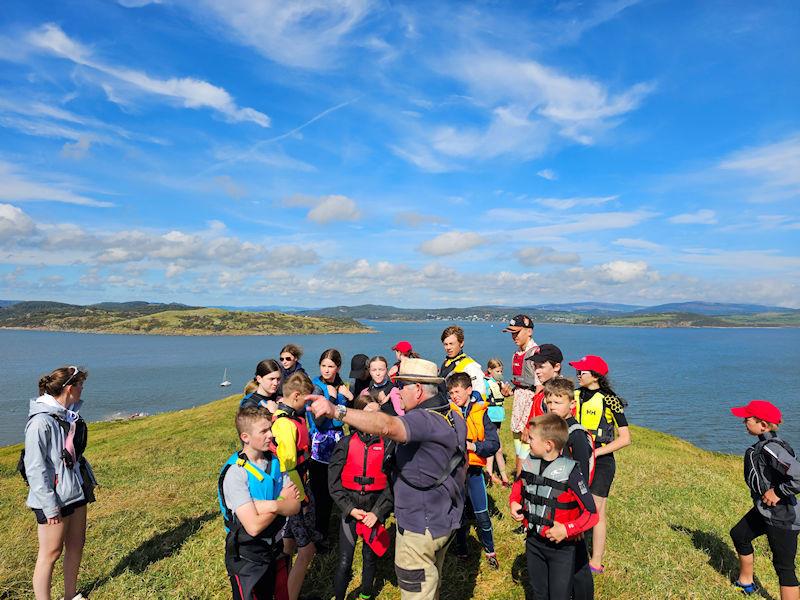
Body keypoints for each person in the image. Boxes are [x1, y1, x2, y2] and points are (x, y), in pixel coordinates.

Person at [308, 357, 466, 600]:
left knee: (417, 591)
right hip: (443, 517)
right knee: (431, 584)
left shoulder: (422, 419)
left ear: (419, 389)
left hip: (418, 525)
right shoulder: (453, 416)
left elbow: (385, 425)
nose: (397, 391)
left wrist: (335, 410)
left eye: (402, 386)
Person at [24, 366, 97, 600]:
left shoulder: (68, 415)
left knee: (77, 544)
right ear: (69, 388)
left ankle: (70, 595)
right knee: (50, 553)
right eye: (80, 385)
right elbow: (34, 468)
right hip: (53, 498)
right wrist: (49, 505)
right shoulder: (40, 422)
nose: (82, 389)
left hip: (75, 490)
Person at [509, 413, 598, 600]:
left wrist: (568, 529)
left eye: (531, 439)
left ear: (548, 445)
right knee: (539, 592)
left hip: (561, 549)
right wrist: (514, 502)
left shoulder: (571, 472)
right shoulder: (529, 464)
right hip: (533, 542)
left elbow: (591, 513)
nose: (528, 442)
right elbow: (519, 485)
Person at [218, 406, 301, 600]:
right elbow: (253, 527)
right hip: (248, 556)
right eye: (263, 431)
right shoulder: (236, 474)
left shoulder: (275, 462)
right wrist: (280, 501)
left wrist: (266, 505)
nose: (271, 435)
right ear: (245, 437)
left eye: (270, 428)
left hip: (276, 549)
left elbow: (295, 506)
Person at [729, 400, 799, 599]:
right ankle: (746, 582)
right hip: (764, 510)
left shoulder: (772, 449)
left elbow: (799, 476)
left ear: (763, 425)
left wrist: (777, 492)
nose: (744, 421)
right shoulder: (763, 446)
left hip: (783, 518)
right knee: (739, 534)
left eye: (747, 418)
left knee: (784, 568)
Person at [328, 396, 395, 600]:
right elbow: (334, 483)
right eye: (367, 413)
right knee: (344, 561)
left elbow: (392, 485)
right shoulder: (346, 444)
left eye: (377, 413)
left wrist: (377, 513)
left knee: (370, 556)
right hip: (350, 509)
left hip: (374, 509)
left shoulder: (388, 447)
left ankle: (366, 595)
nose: (373, 418)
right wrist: (349, 508)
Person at [569, 355, 631, 574]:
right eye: (577, 371)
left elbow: (625, 438)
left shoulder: (610, 399)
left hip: (602, 461)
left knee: (597, 510)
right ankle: (573, 550)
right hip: (575, 457)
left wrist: (595, 453)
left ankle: (595, 561)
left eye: (582, 372)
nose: (577, 375)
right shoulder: (574, 395)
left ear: (595, 375)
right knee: (574, 504)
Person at [543, 377, 595, 600]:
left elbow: (581, 478)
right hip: (556, 504)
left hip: (572, 509)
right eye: (549, 401)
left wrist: (575, 518)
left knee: (578, 560)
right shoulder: (556, 431)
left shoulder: (576, 436)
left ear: (571, 405)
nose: (552, 406)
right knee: (563, 558)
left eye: (558, 402)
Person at [272, 372, 321, 600]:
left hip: (297, 485)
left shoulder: (289, 419)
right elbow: (289, 467)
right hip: (295, 491)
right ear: (295, 396)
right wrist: (301, 499)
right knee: (307, 551)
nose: (308, 405)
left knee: (288, 545)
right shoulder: (285, 424)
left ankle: (283, 589)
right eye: (306, 400)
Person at [447, 372, 500, 569]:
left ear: (469, 390)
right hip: (455, 472)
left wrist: (475, 447)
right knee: (458, 515)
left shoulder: (480, 412)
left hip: (475, 472)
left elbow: (494, 443)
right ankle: (461, 550)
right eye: (451, 392)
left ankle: (490, 551)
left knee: (482, 514)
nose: (454, 396)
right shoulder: (448, 412)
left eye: (457, 391)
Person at [309, 349, 354, 546]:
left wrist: (348, 398)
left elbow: (347, 415)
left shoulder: (340, 386)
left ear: (338, 368)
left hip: (338, 442)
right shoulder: (317, 388)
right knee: (321, 491)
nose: (326, 370)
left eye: (331, 366)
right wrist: (335, 400)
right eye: (323, 366)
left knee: (337, 484)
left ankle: (335, 527)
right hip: (321, 446)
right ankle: (320, 534)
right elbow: (319, 421)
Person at [501, 315, 539, 476]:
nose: (513, 336)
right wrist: (510, 392)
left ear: (529, 331)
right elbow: (521, 382)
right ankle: (520, 483)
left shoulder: (536, 354)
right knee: (518, 448)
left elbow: (539, 389)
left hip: (530, 406)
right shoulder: (517, 353)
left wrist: (531, 422)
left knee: (526, 450)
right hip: (519, 403)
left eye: (517, 332)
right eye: (511, 333)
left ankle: (521, 485)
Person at [439, 325, 486, 399]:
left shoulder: (470, 365)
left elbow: (480, 392)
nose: (448, 348)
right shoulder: (446, 363)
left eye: (451, 344)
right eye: (445, 344)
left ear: (461, 343)